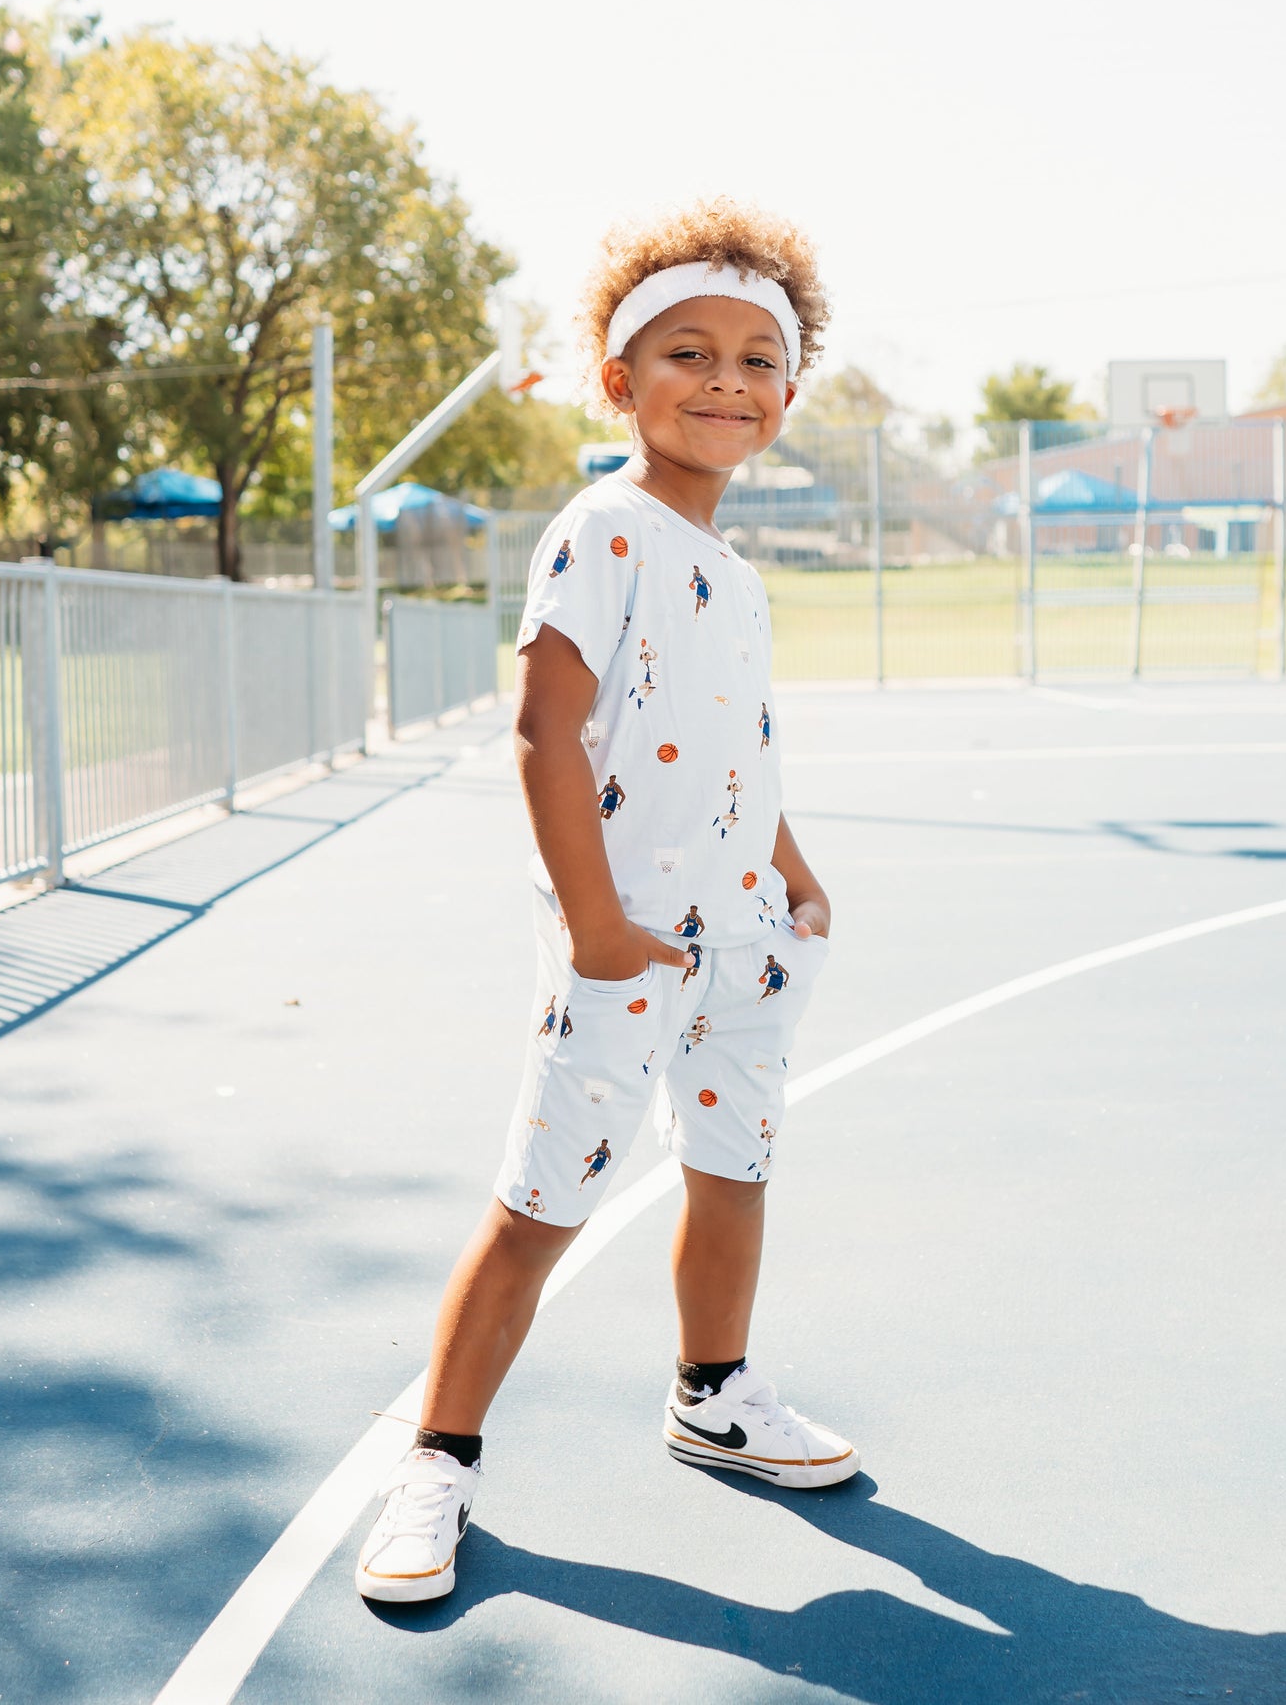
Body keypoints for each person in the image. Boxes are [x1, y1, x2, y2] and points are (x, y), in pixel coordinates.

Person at [356, 199, 854, 1606]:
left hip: (745, 940)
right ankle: (437, 1462)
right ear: (620, 382)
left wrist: (793, 869)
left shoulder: (735, 570)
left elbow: (730, 743)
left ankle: (714, 1393)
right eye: (688, 351)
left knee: (734, 1169)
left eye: (759, 359)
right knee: (538, 1206)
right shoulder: (603, 531)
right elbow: (542, 730)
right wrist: (593, 929)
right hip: (625, 947)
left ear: (788, 397)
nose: (727, 380)